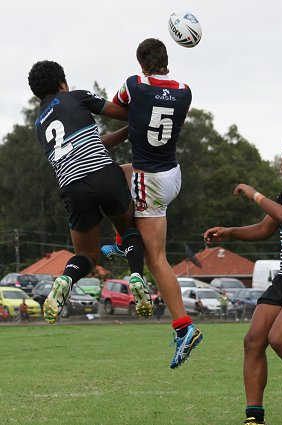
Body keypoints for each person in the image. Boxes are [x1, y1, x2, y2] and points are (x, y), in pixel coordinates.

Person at [101, 38, 203, 368]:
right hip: (171, 171)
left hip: (150, 179)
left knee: (157, 260)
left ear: (140, 62)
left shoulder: (135, 84)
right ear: (166, 58)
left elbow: (117, 109)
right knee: (114, 176)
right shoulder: (185, 90)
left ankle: (184, 327)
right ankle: (121, 241)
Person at [28, 60, 150, 325]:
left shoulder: (39, 125)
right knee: (129, 227)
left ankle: (66, 279)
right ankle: (138, 276)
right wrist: (144, 118)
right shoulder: (76, 97)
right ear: (63, 83)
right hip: (103, 175)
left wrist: (126, 134)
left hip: (72, 187)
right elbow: (123, 112)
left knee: (86, 256)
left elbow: (89, 144)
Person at [203, 134, 282, 425]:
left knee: (279, 339)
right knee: (254, 340)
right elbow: (265, 228)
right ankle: (254, 418)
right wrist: (230, 232)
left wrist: (255, 194)